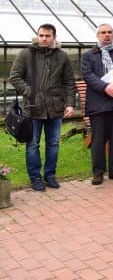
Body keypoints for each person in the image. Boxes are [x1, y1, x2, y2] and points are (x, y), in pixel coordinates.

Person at [10, 23, 76, 192]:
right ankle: (35, 177)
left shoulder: (62, 56)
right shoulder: (26, 54)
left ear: (54, 37)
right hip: (32, 108)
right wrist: (30, 92)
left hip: (55, 108)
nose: (44, 38)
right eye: (41, 35)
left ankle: (50, 175)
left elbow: (69, 81)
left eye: (47, 36)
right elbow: (15, 77)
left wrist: (69, 103)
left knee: (53, 144)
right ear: (37, 36)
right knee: (33, 145)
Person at [80, 24, 113, 185]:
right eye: (103, 33)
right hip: (98, 103)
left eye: (110, 32)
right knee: (98, 140)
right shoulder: (89, 55)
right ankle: (98, 173)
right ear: (98, 35)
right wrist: (105, 87)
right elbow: (87, 74)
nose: (107, 35)